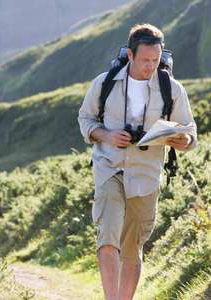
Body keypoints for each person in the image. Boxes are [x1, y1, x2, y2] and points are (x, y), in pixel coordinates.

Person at [78, 23, 197, 300]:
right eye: (144, 60)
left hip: (147, 176)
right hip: (109, 168)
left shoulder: (172, 89)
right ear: (130, 55)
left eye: (155, 60)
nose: (150, 66)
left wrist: (183, 141)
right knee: (107, 232)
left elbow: (190, 132)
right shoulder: (104, 82)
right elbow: (85, 120)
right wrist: (106, 134)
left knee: (132, 248)